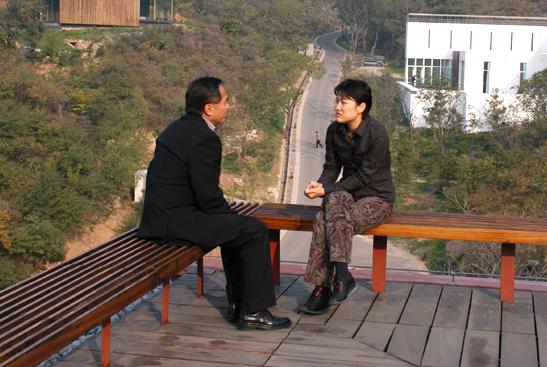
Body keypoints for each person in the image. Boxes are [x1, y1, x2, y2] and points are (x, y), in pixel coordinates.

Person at [136, 77, 290, 331]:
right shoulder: (204, 138)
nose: (228, 106)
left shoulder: (175, 128)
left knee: (233, 227)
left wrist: (229, 218)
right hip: (175, 222)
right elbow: (207, 195)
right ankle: (252, 311)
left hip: (159, 218)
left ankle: (238, 304)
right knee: (254, 230)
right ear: (209, 108)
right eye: (225, 101)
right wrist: (230, 216)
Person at [298, 79, 395, 314]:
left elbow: (363, 177)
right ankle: (342, 278)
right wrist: (320, 185)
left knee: (323, 219)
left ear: (361, 107)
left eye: (344, 102)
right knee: (333, 203)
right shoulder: (334, 130)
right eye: (337, 101)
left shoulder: (377, 134)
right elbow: (331, 168)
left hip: (377, 199)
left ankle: (323, 289)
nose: (338, 107)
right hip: (346, 197)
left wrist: (327, 190)